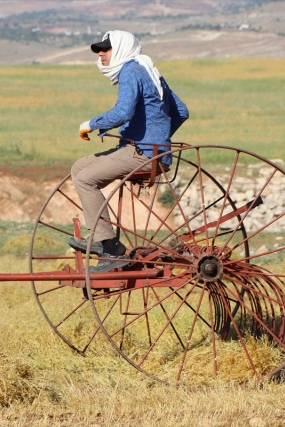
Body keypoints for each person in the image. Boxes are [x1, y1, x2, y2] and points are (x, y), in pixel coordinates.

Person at [68, 30, 189, 273]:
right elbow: (181, 112)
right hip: (146, 150)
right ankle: (102, 237)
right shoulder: (148, 69)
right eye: (99, 50)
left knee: (85, 179)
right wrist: (160, 139)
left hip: (141, 153)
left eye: (106, 49)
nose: (101, 53)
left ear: (122, 49)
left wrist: (91, 124)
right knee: (79, 167)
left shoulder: (130, 71)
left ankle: (111, 248)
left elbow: (122, 112)